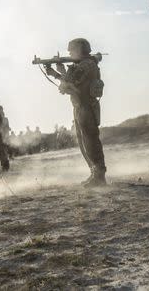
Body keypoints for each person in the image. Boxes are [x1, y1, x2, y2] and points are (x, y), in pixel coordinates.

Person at [45, 38, 107, 187]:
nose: (70, 53)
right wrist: (56, 72)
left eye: (71, 50)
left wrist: (59, 71)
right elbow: (70, 83)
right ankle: (95, 174)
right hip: (81, 107)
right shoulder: (85, 64)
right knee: (84, 142)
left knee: (91, 142)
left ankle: (99, 176)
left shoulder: (86, 65)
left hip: (85, 107)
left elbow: (69, 84)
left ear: (79, 49)